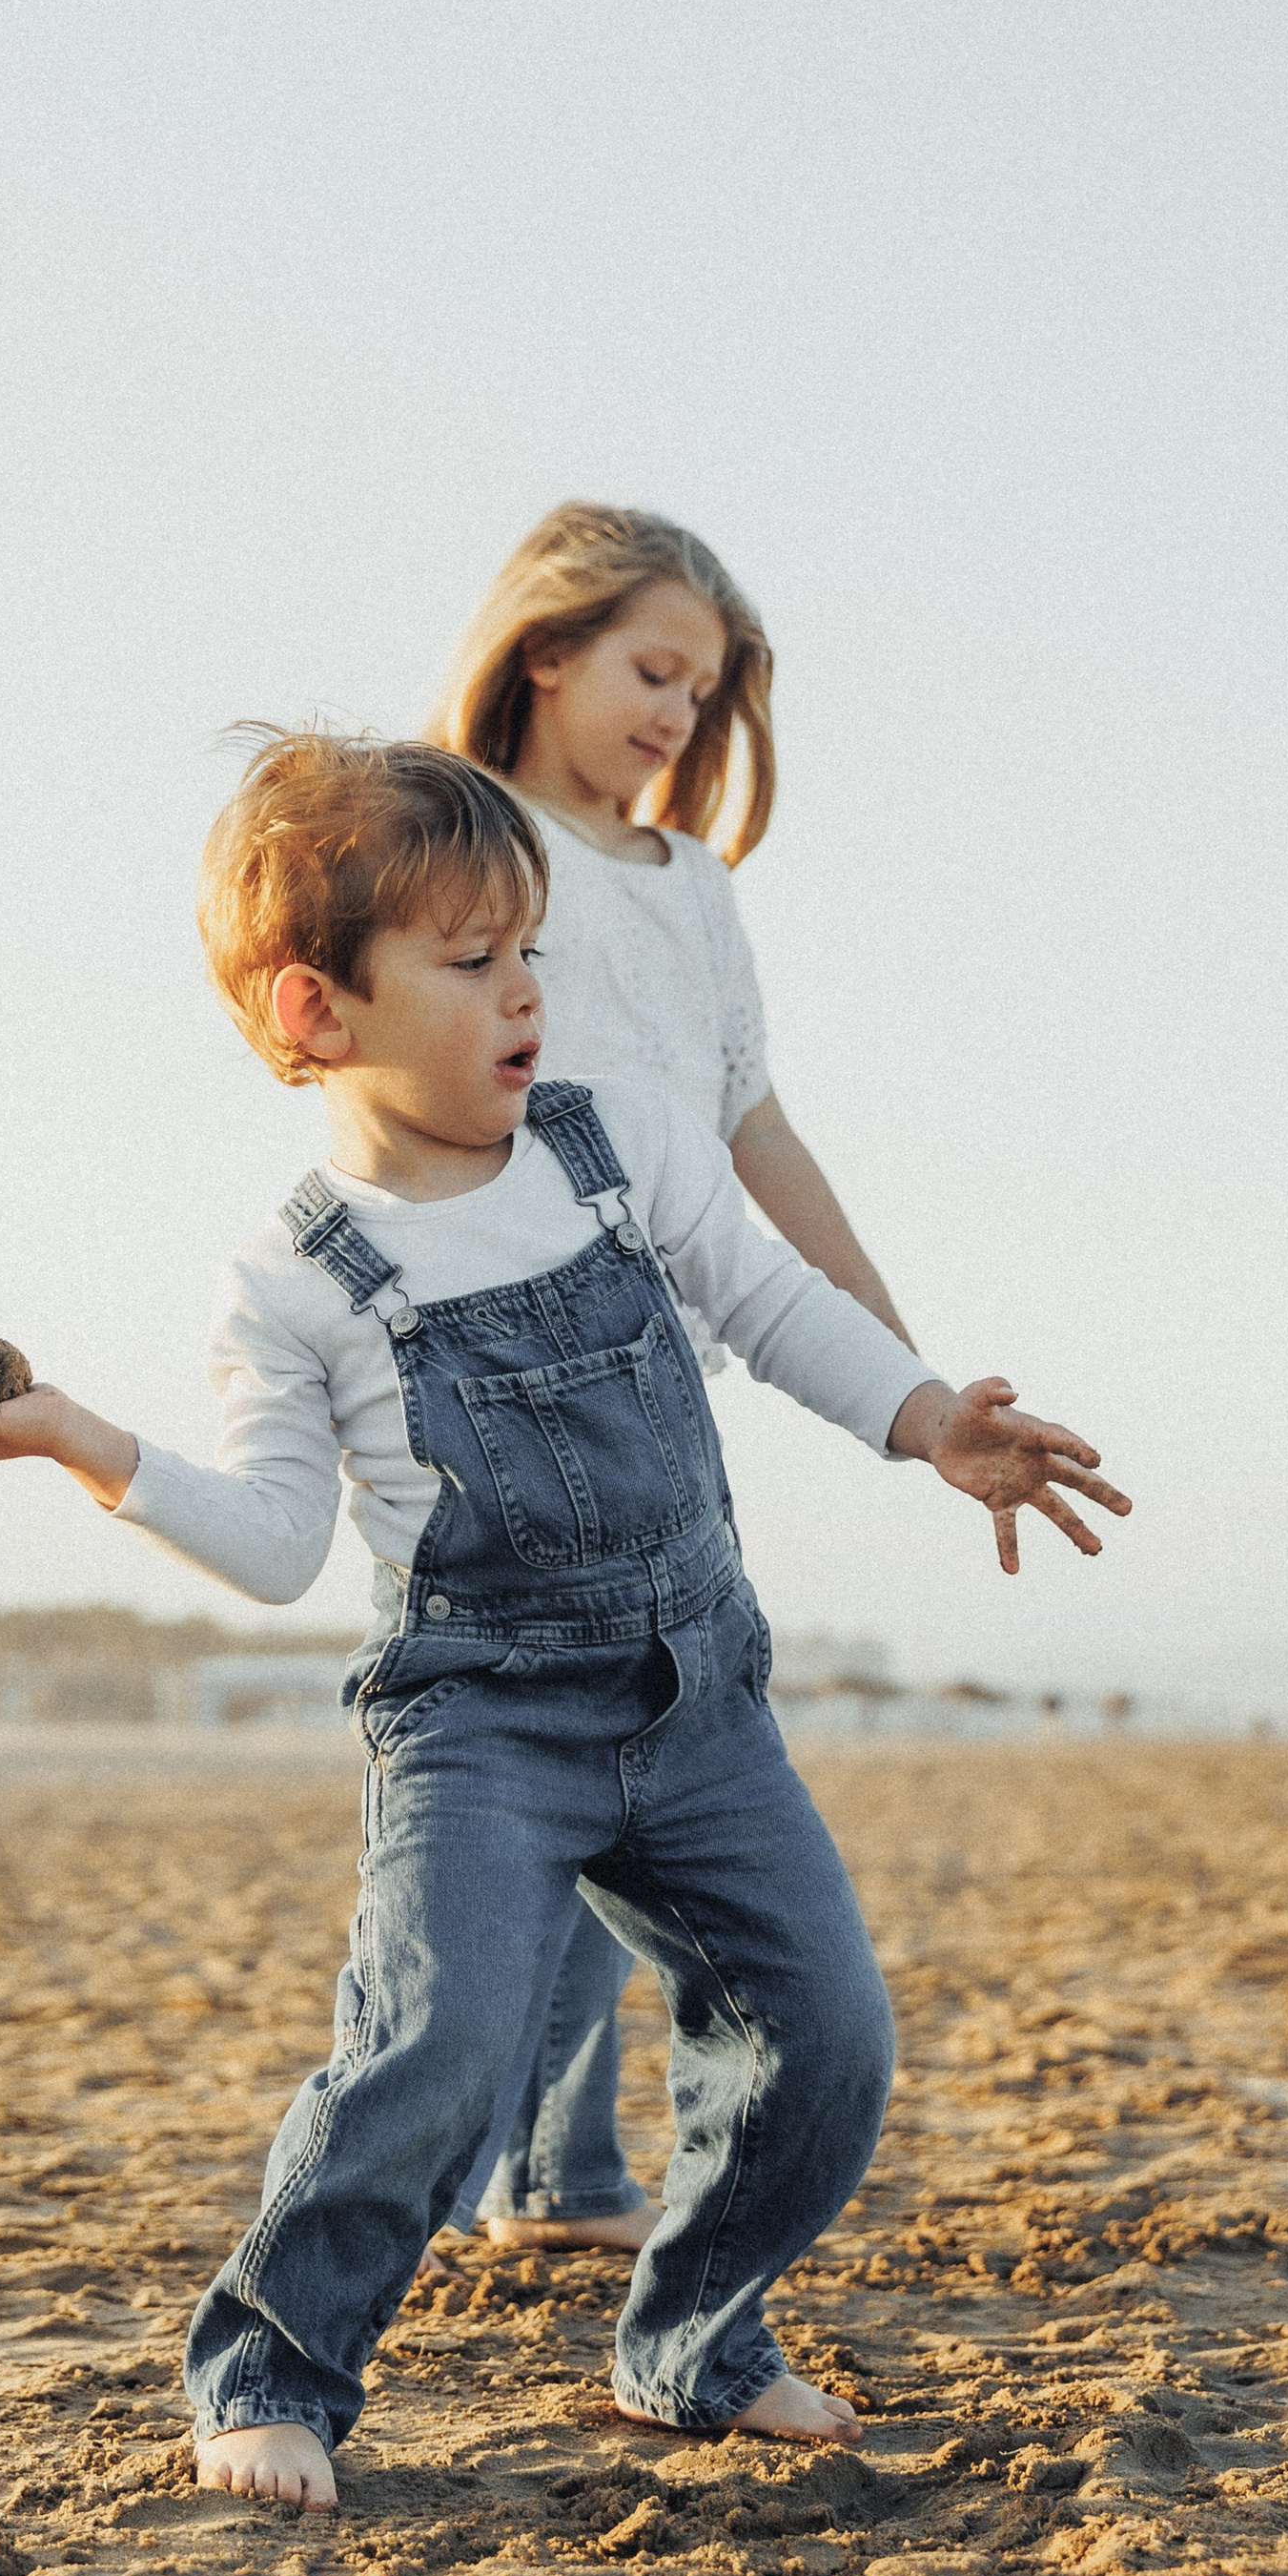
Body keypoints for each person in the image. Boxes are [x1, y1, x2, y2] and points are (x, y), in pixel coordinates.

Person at [0, 731, 1126, 2509]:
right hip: (482, 1723)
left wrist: (929, 1417)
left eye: (531, 949)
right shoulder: (297, 1281)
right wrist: (75, 1439)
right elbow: (273, 1544)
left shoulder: (617, 1143)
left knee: (828, 2034)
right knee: (440, 2053)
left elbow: (771, 1300)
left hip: (699, 1698)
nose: (527, 992)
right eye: (473, 961)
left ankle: (694, 2339)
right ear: (317, 1009)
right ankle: (271, 2370)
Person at [423, 503, 911, 2257]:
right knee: (540, 1768)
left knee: (635, 1735)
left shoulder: (693, 886)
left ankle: (554, 2170)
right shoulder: (458, 837)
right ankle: (489, 2163)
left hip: (660, 1368)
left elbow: (749, 1120)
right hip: (487, 1364)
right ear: (546, 649)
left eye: (702, 695)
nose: (677, 718)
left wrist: (889, 1353)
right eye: (652, 671)